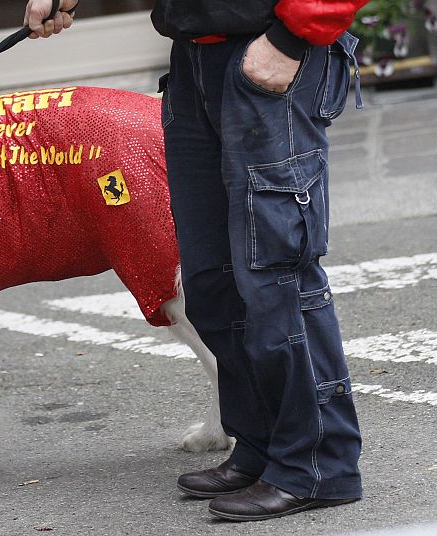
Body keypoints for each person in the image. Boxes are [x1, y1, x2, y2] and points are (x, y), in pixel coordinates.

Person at [24, 0, 367, 522]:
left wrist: (295, 36)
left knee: (275, 272)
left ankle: (319, 463)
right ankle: (262, 444)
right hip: (194, 61)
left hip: (273, 51)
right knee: (211, 279)